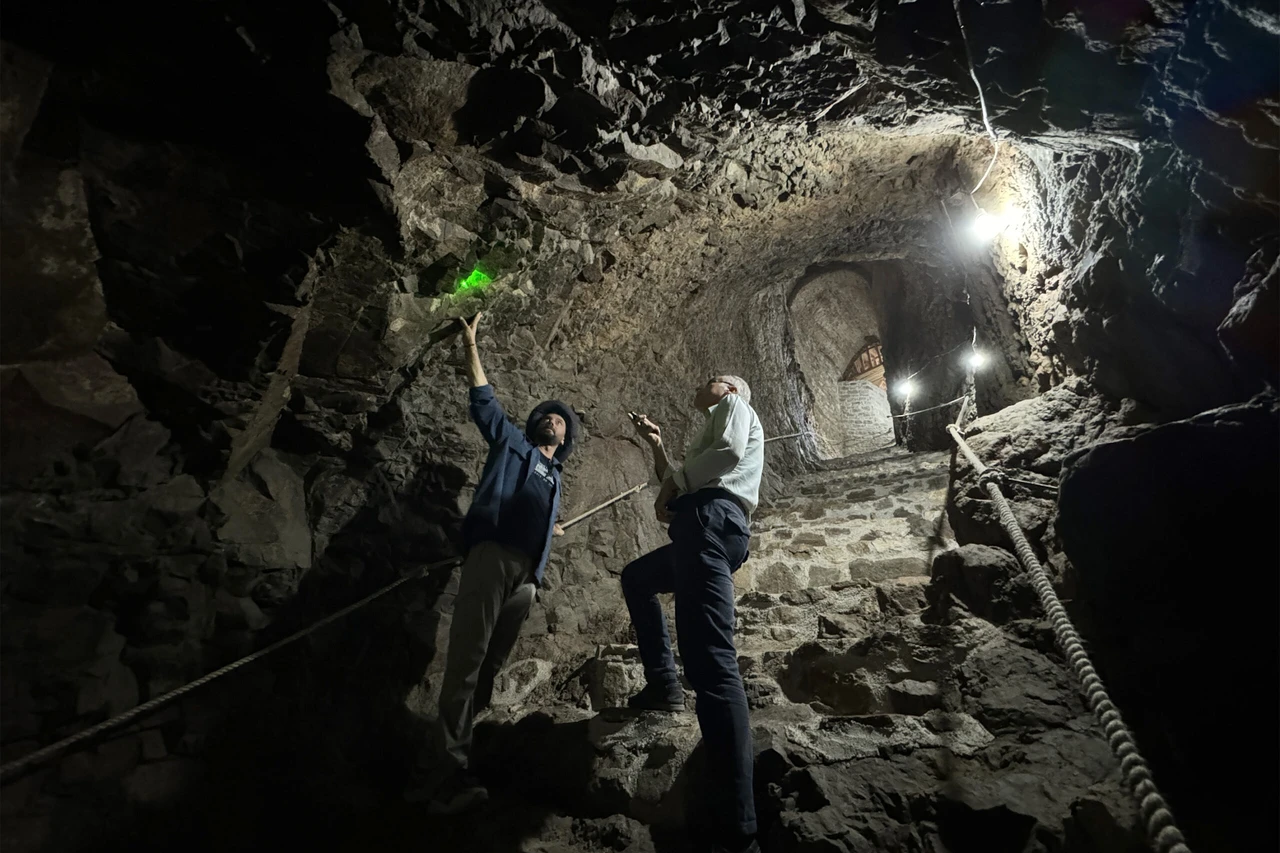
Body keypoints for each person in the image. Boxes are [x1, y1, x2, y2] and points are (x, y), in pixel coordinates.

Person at [411, 311, 578, 815]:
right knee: (465, 663)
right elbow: (484, 402)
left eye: (562, 420)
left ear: (567, 439)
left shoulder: (555, 479)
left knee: (489, 667)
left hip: (526, 577)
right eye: (549, 416)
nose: (555, 420)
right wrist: (471, 346)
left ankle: (456, 751)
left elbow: (533, 511)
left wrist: (547, 531)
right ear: (534, 425)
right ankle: (443, 776)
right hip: (492, 558)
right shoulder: (513, 445)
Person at [622, 375, 765, 853]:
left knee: (711, 664)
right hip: (701, 525)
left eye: (712, 379)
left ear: (728, 387)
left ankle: (737, 827)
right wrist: (659, 445)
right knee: (637, 578)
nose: (704, 384)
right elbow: (682, 479)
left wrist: (678, 485)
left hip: (709, 521)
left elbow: (723, 453)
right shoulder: (714, 419)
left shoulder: (732, 405)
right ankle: (664, 683)